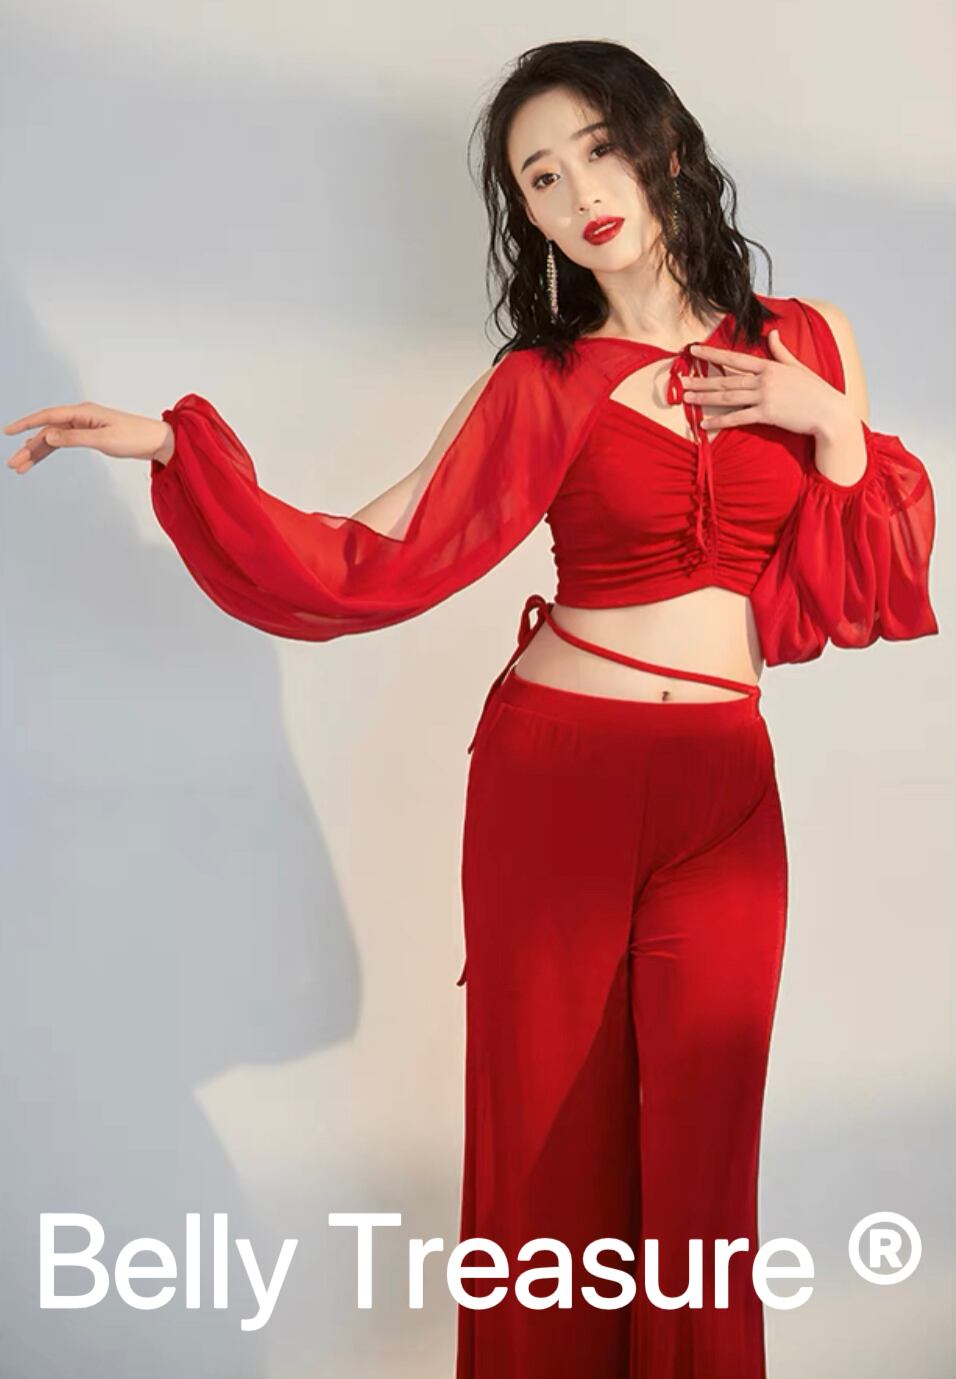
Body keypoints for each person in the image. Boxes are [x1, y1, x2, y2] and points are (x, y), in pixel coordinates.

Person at [3, 38, 938, 1379]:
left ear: (667, 146)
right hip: (554, 784)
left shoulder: (810, 343)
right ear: (528, 215)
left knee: (704, 1167)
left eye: (598, 151)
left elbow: (852, 590)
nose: (580, 194)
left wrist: (828, 424)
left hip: (723, 789)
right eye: (540, 178)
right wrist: (176, 451)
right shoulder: (541, 384)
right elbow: (368, 558)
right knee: (546, 1151)